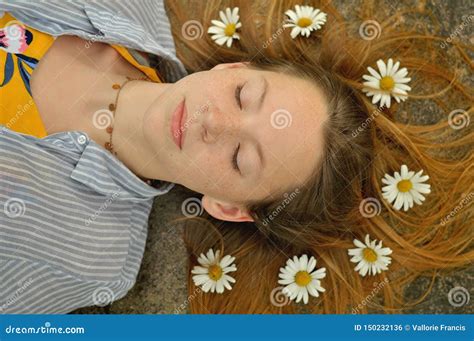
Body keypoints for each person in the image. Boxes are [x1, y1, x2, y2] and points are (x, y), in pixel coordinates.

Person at [0, 0, 472, 314]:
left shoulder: (89, 259)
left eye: (242, 159)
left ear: (227, 206)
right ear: (232, 68)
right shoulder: (125, 6)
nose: (215, 123)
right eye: (244, 95)